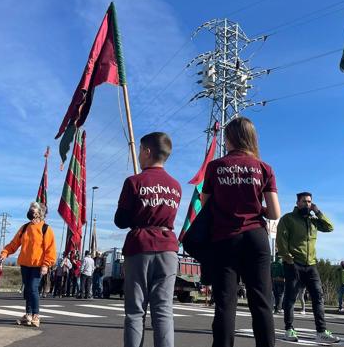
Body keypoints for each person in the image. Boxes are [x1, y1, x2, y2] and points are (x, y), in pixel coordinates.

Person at [199, 118, 281, 347]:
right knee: (261, 302)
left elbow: (205, 206)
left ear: (230, 138)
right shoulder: (264, 168)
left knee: (225, 303)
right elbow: (274, 213)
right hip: (256, 237)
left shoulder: (215, 167)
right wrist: (257, 208)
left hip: (224, 239)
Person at [115, 132, 183, 347]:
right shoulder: (175, 186)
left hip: (140, 246)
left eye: (139, 151)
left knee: (135, 310)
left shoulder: (134, 181)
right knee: (163, 310)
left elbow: (121, 220)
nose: (138, 156)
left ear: (147, 151)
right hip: (168, 247)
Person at [277, 192, 340, 343]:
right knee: (291, 298)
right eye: (304, 201)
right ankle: (289, 329)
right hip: (294, 263)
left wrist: (318, 212)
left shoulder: (313, 220)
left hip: (311, 265)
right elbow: (281, 240)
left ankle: (321, 332)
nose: (307, 204)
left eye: (310, 202)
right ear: (297, 203)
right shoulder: (288, 219)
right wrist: (288, 259)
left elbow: (330, 227)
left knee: (318, 297)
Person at [0, 202, 56, 328]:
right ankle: (28, 314)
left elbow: (50, 250)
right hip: (25, 264)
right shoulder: (24, 227)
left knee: (33, 288)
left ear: (40, 212)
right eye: (30, 208)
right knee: (28, 290)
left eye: (33, 208)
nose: (30, 210)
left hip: (38, 265)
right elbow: (14, 244)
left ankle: (36, 315)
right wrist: (4, 253)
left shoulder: (46, 229)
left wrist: (46, 264)